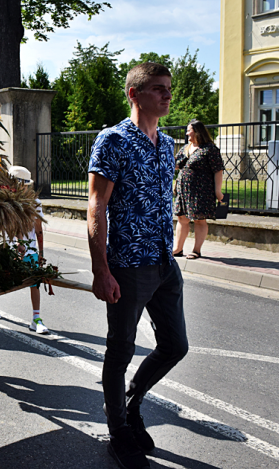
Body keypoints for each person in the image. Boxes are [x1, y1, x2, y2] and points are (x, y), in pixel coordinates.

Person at [87, 62, 189, 469]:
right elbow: (96, 205)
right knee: (120, 349)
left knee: (175, 345)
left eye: (168, 88)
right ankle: (120, 433)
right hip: (128, 264)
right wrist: (101, 269)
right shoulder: (113, 141)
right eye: (158, 89)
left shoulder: (167, 144)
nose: (167, 95)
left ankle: (131, 402)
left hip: (164, 262)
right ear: (135, 94)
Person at [0, 166, 49, 334]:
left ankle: (36, 318)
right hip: (7, 248)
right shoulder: (3, 201)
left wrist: (41, 254)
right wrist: (15, 243)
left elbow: (39, 229)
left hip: (29, 250)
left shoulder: (35, 203)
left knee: (35, 282)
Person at [173, 119, 224, 260]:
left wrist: (218, 191)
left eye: (189, 129)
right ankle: (178, 249)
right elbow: (176, 165)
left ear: (197, 131)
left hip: (201, 191)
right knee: (181, 218)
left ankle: (196, 250)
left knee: (199, 220)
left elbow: (218, 170)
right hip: (183, 191)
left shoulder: (210, 149)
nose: (187, 132)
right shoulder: (186, 148)